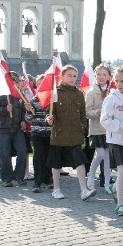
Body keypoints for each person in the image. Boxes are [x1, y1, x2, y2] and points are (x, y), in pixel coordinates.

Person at [45, 65, 95, 200]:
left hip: (75, 135)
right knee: (56, 163)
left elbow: (83, 115)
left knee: (80, 162)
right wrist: (50, 118)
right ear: (62, 76)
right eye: (69, 75)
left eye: (74, 76)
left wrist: (83, 127)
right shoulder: (55, 92)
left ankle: (84, 190)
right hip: (59, 135)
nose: (72, 78)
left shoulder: (79, 94)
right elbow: (50, 112)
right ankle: (56, 189)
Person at [100, 65, 123, 216]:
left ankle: (115, 187)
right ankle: (120, 203)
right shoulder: (111, 99)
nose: (119, 84)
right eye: (117, 80)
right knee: (122, 171)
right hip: (115, 140)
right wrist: (122, 126)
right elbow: (104, 120)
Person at [0, 71, 29, 187]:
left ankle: (19, 176)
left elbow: (23, 111)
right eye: (12, 80)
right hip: (4, 129)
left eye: (15, 80)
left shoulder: (19, 95)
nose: (14, 82)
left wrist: (23, 120)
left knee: (22, 151)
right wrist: (5, 110)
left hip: (17, 129)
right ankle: (6, 178)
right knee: (5, 154)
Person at [85, 63, 113, 192]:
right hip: (97, 128)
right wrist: (97, 112)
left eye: (104, 74)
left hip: (109, 129)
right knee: (100, 154)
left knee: (107, 157)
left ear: (109, 76)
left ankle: (107, 183)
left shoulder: (112, 91)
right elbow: (86, 112)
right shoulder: (91, 92)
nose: (101, 77)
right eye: (98, 74)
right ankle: (91, 175)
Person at [28, 74, 52, 193]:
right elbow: (28, 118)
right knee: (38, 156)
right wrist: (29, 111)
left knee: (48, 156)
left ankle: (47, 179)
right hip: (37, 132)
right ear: (37, 85)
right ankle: (37, 182)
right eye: (40, 83)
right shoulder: (34, 100)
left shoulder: (52, 99)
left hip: (49, 133)